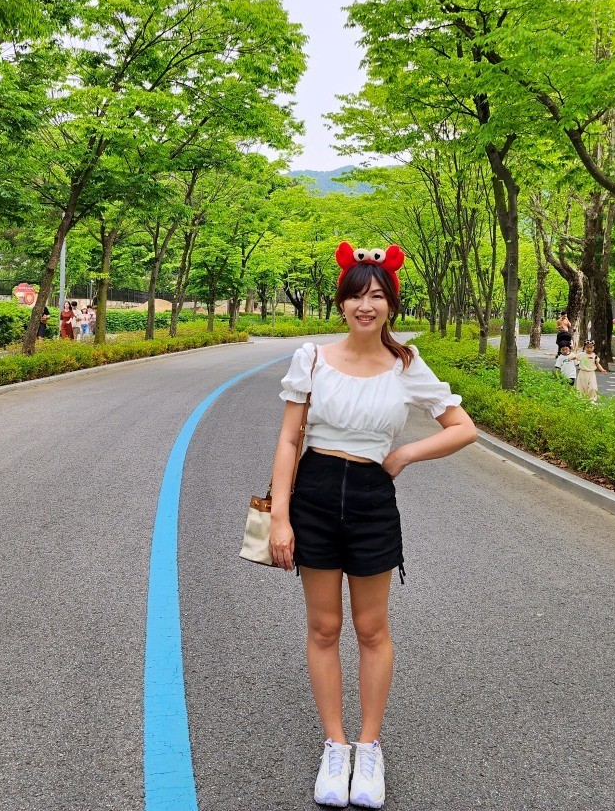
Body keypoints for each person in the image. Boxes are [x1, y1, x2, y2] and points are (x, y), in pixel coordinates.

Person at [269, 241, 478, 809]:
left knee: (372, 629)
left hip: (371, 501)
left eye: (378, 296)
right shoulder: (310, 359)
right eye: (357, 295)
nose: (367, 305)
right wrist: (281, 519)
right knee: (323, 627)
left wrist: (406, 453)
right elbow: (290, 438)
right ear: (341, 302)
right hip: (311, 497)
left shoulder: (407, 365)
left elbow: (463, 428)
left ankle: (369, 746)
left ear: (391, 305)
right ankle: (335, 746)